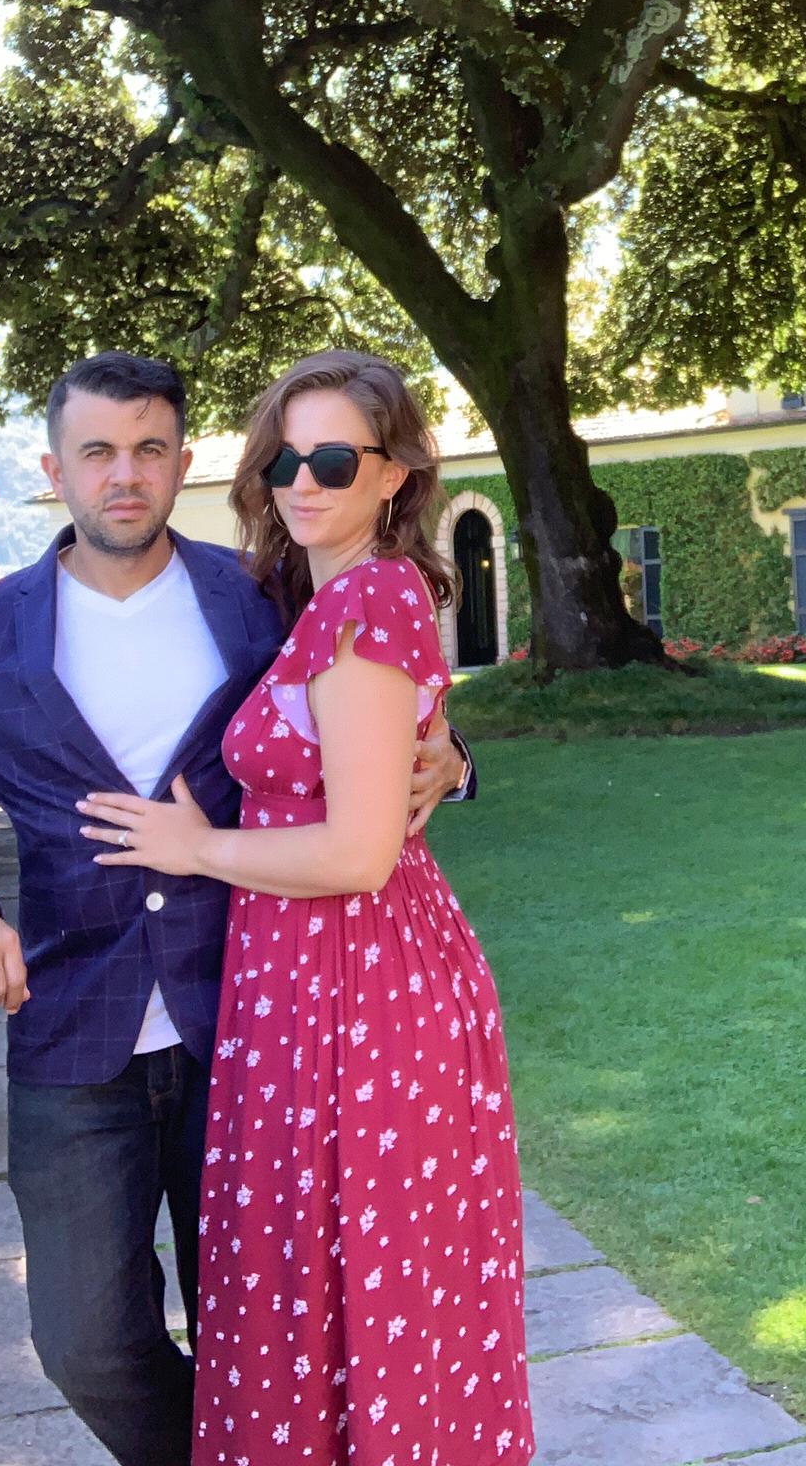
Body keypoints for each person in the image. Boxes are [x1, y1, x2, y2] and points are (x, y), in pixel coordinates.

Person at [0, 351, 475, 1466]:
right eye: (96, 452)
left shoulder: (266, 596)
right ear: (55, 471)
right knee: (86, 1344)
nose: (124, 474)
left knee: (274, 1336)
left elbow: (374, 703)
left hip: (255, 1024)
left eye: (149, 449)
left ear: (185, 464)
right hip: (72, 1031)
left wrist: (456, 758)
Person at [78, 350, 535, 1466]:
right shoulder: (313, 594)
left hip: (359, 988)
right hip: (307, 978)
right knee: (316, 1287)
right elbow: (384, 747)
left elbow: (360, 852)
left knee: (363, 1291)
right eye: (284, 460)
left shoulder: (370, 597)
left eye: (334, 459)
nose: (303, 481)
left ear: (396, 472)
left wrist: (196, 846)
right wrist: (448, 752)